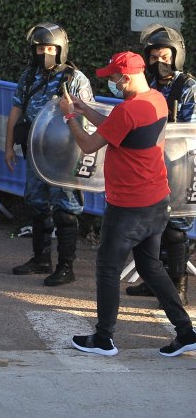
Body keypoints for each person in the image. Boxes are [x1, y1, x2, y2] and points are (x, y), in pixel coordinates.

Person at [60, 52, 196, 357]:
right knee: (151, 266)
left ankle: (104, 338)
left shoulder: (129, 110)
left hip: (128, 208)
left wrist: (70, 115)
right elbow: (117, 129)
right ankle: (186, 332)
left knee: (108, 267)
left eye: (113, 77)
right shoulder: (157, 99)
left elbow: (89, 144)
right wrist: (85, 108)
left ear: (126, 76)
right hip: (156, 202)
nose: (111, 82)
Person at [5, 22, 92, 286]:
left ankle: (66, 266)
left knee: (66, 208)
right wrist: (8, 146)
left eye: (51, 48)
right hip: (34, 149)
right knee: (36, 202)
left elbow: (87, 115)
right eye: (41, 48)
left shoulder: (74, 78)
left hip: (64, 153)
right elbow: (16, 110)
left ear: (61, 49)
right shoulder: (29, 75)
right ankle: (40, 258)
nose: (45, 53)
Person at [126, 24, 196, 303]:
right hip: (151, 163)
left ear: (176, 56)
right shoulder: (149, 84)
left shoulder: (189, 87)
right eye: (153, 57)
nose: (159, 62)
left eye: (164, 56)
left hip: (182, 163)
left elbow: (191, 130)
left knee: (176, 228)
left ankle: (177, 288)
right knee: (153, 223)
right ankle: (153, 280)